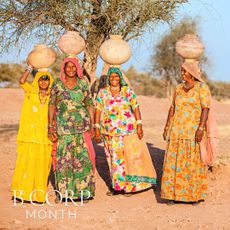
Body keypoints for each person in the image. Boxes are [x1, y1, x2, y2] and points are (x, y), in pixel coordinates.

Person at [95, 67, 156, 195]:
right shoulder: (103, 93)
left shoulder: (127, 91)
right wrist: (96, 126)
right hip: (109, 131)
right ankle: (117, 186)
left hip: (127, 130)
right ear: (108, 79)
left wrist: (139, 124)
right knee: (113, 158)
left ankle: (130, 186)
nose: (114, 79)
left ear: (120, 78)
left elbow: (136, 107)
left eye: (116, 76)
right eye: (111, 77)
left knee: (128, 158)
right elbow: (98, 109)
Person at [161, 61, 212, 205]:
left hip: (192, 131)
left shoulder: (202, 87)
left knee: (191, 162)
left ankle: (193, 195)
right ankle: (172, 195)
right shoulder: (178, 88)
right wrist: (167, 127)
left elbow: (205, 108)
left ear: (192, 72)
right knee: (174, 162)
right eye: (181, 71)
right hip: (176, 130)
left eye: (185, 71)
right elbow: (172, 108)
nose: (182, 74)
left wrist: (201, 128)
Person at [48, 57, 95, 202]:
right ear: (64, 68)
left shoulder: (82, 83)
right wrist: (50, 125)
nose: (71, 69)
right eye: (68, 67)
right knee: (63, 160)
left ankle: (83, 193)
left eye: (73, 67)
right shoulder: (57, 84)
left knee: (82, 159)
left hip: (81, 127)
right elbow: (51, 105)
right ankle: (62, 194)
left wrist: (92, 124)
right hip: (63, 128)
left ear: (77, 68)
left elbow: (89, 104)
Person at [12, 66, 54, 203]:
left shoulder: (53, 97)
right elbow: (22, 81)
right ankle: (20, 194)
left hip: (44, 138)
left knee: (42, 165)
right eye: (41, 79)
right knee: (25, 164)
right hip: (29, 136)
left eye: (46, 80)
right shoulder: (31, 92)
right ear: (37, 80)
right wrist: (30, 67)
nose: (43, 82)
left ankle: (38, 196)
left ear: (50, 82)